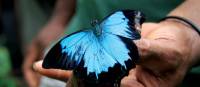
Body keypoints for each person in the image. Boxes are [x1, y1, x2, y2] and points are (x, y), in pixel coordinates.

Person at [25, 0, 200, 87]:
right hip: (75, 51)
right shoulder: (110, 24)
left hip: (165, 68)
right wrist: (61, 17)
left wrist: (186, 33)